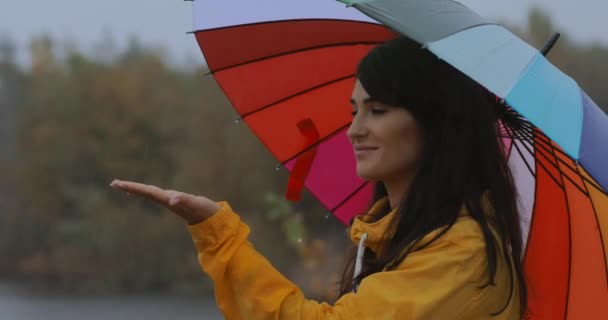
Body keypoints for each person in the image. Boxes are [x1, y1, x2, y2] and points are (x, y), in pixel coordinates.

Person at [111, 36, 527, 319]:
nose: (354, 130)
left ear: (436, 123)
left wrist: (217, 233)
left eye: (378, 111)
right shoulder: (400, 239)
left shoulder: (463, 254)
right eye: (354, 111)